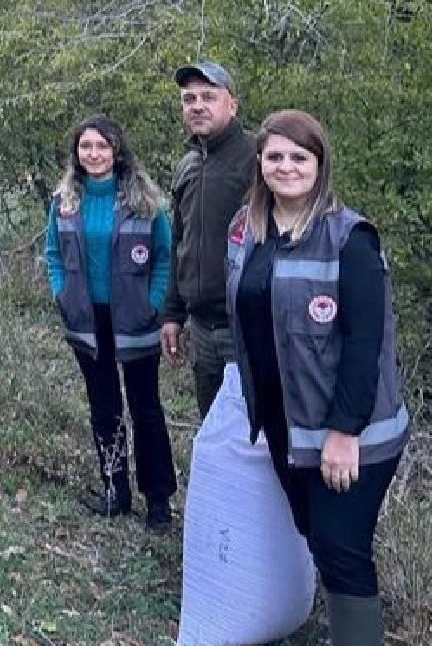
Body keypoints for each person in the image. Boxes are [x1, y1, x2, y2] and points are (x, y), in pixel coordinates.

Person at [227, 110, 409, 645]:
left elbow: (365, 344)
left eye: (299, 157)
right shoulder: (248, 232)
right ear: (259, 163)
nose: (286, 167)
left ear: (320, 164)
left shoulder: (350, 238)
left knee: (341, 547)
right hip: (288, 426)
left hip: (350, 434)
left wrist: (344, 433)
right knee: (318, 536)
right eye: (275, 156)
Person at [44, 116, 177, 533]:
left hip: (135, 318)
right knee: (104, 408)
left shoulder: (143, 201)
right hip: (87, 317)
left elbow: (165, 257)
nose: (94, 154)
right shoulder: (64, 201)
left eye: (102, 146)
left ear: (117, 151)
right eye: (86, 146)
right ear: (76, 153)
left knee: (146, 408)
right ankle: (114, 489)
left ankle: (157, 499)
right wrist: (62, 293)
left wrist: (154, 303)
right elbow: (52, 253)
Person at [160, 61, 257, 418]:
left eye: (208, 97)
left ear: (232, 105)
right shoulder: (187, 165)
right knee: (214, 432)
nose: (197, 105)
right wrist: (172, 314)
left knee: (254, 436)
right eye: (189, 99)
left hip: (245, 329)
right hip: (202, 331)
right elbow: (179, 243)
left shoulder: (259, 160)